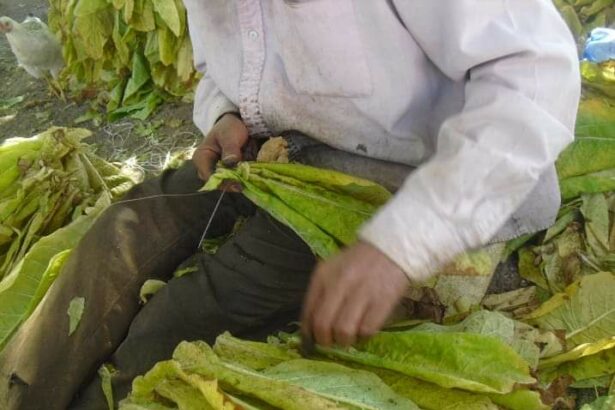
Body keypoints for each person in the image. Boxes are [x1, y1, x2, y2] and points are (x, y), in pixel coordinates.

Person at [0, 1, 580, 409]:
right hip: (275, 156)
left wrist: (403, 244)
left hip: (415, 184)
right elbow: (222, 60)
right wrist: (225, 113)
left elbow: (532, 73)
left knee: (175, 328)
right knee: (118, 236)